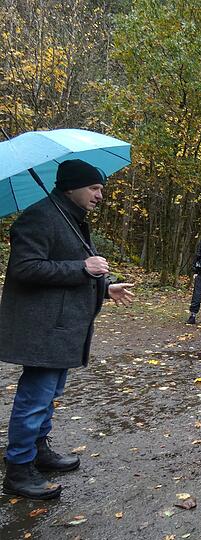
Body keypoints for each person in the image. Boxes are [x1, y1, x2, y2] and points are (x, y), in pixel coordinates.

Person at [0, 159, 135, 500]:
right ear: (71, 186)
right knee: (34, 399)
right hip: (44, 329)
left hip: (63, 330)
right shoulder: (40, 217)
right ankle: (18, 468)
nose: (100, 196)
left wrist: (106, 287)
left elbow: (70, 271)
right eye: (94, 188)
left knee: (48, 396)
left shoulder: (69, 217)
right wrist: (83, 268)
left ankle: (38, 451)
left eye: (100, 189)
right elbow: (25, 269)